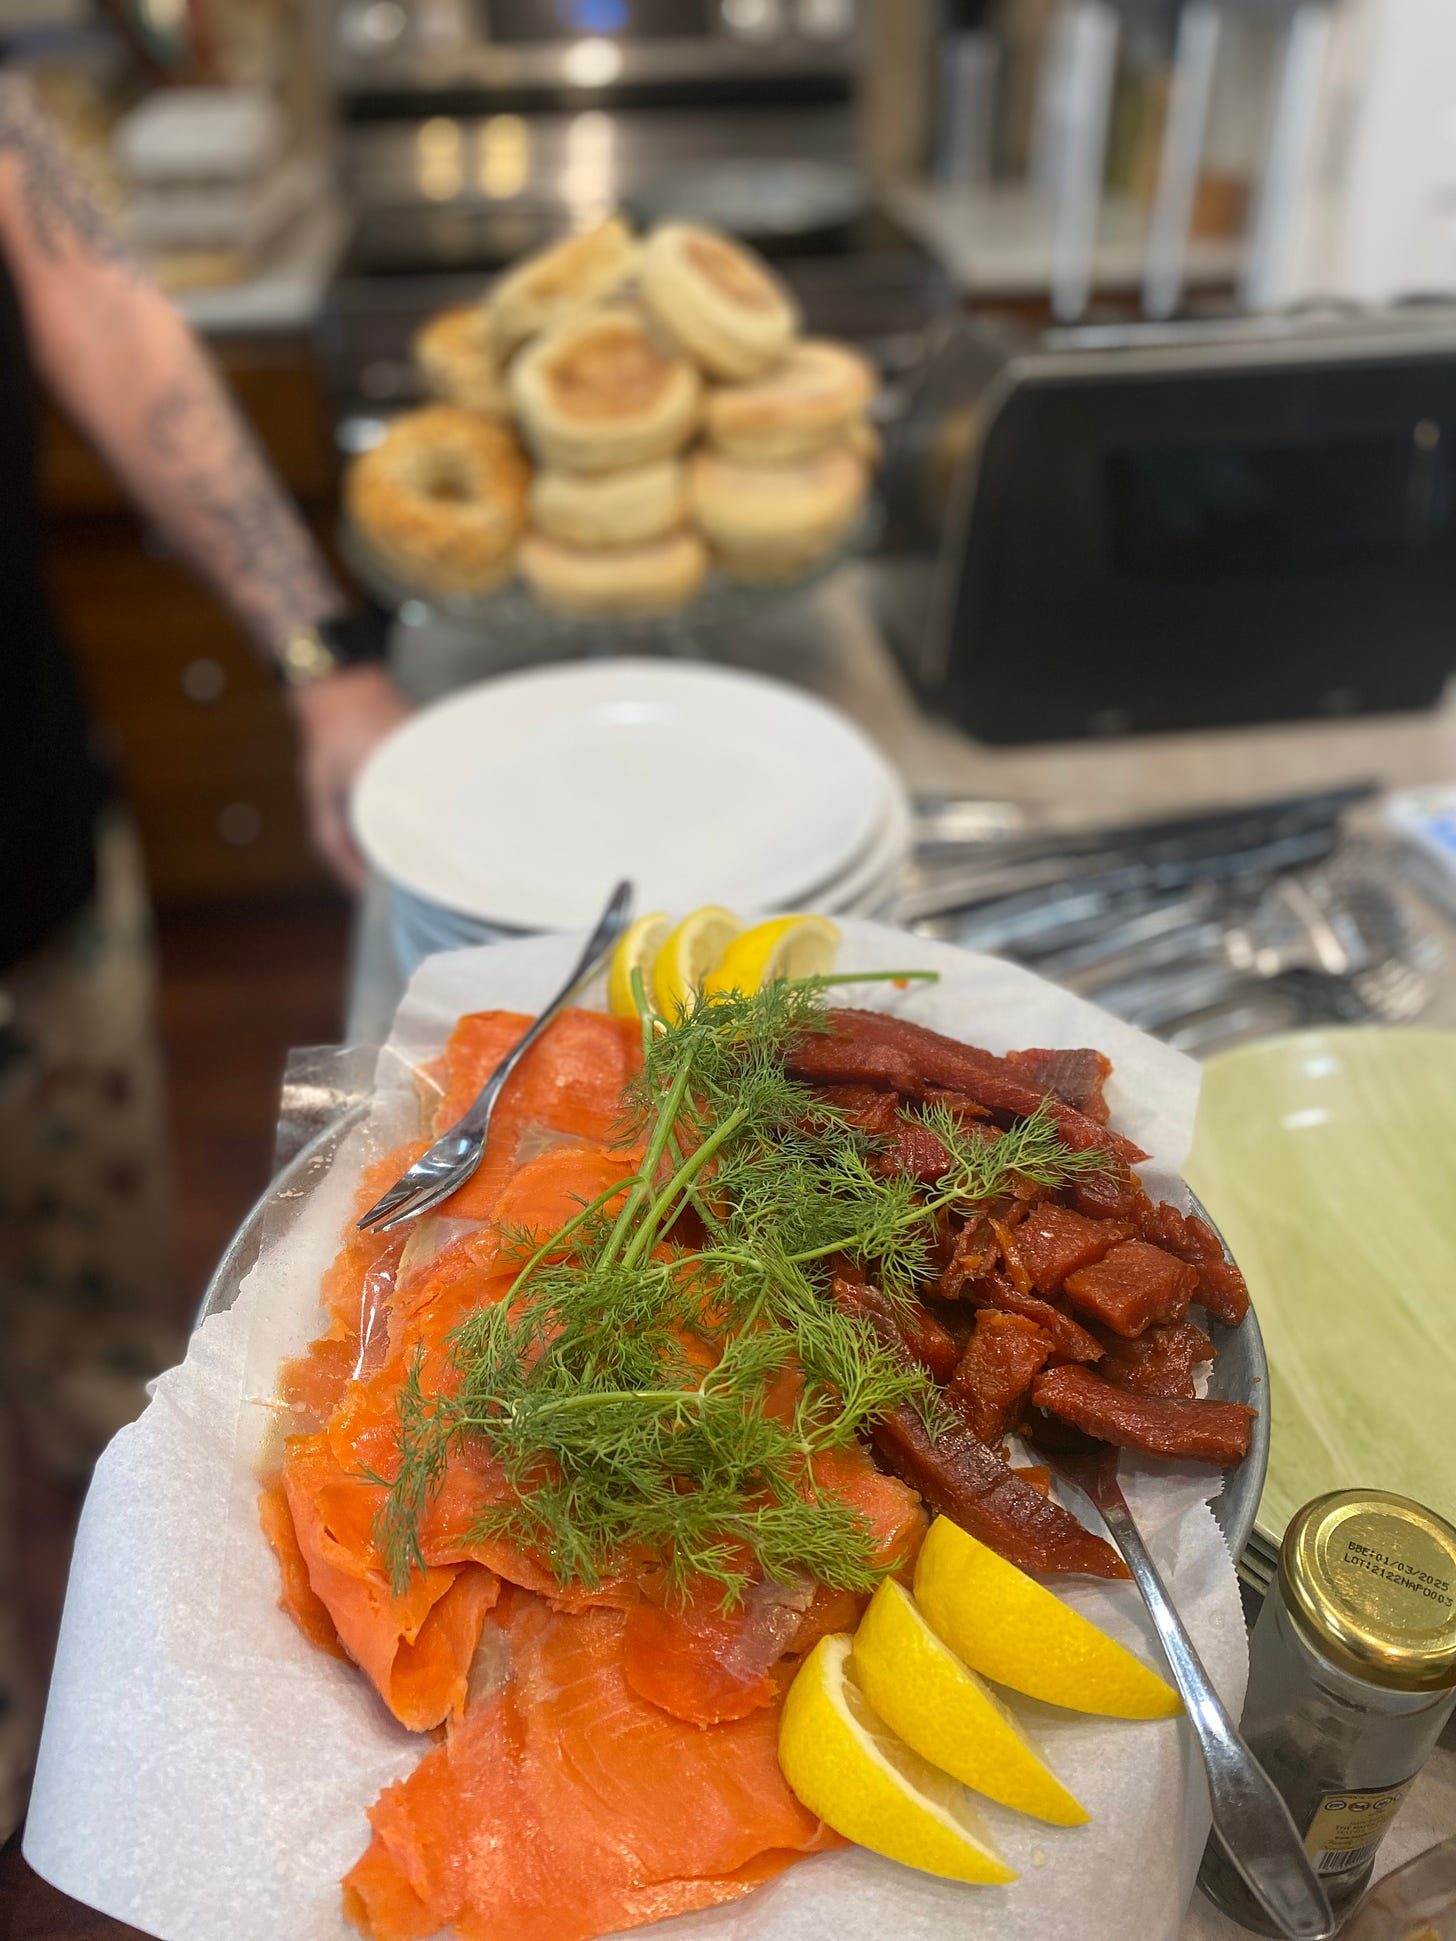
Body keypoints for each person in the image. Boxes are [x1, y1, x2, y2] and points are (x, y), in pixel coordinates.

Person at [0, 70, 409, 1832]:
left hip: (27, 846)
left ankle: (138, 1647)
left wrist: (325, 656)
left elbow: (90, 288)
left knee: (113, 1352)